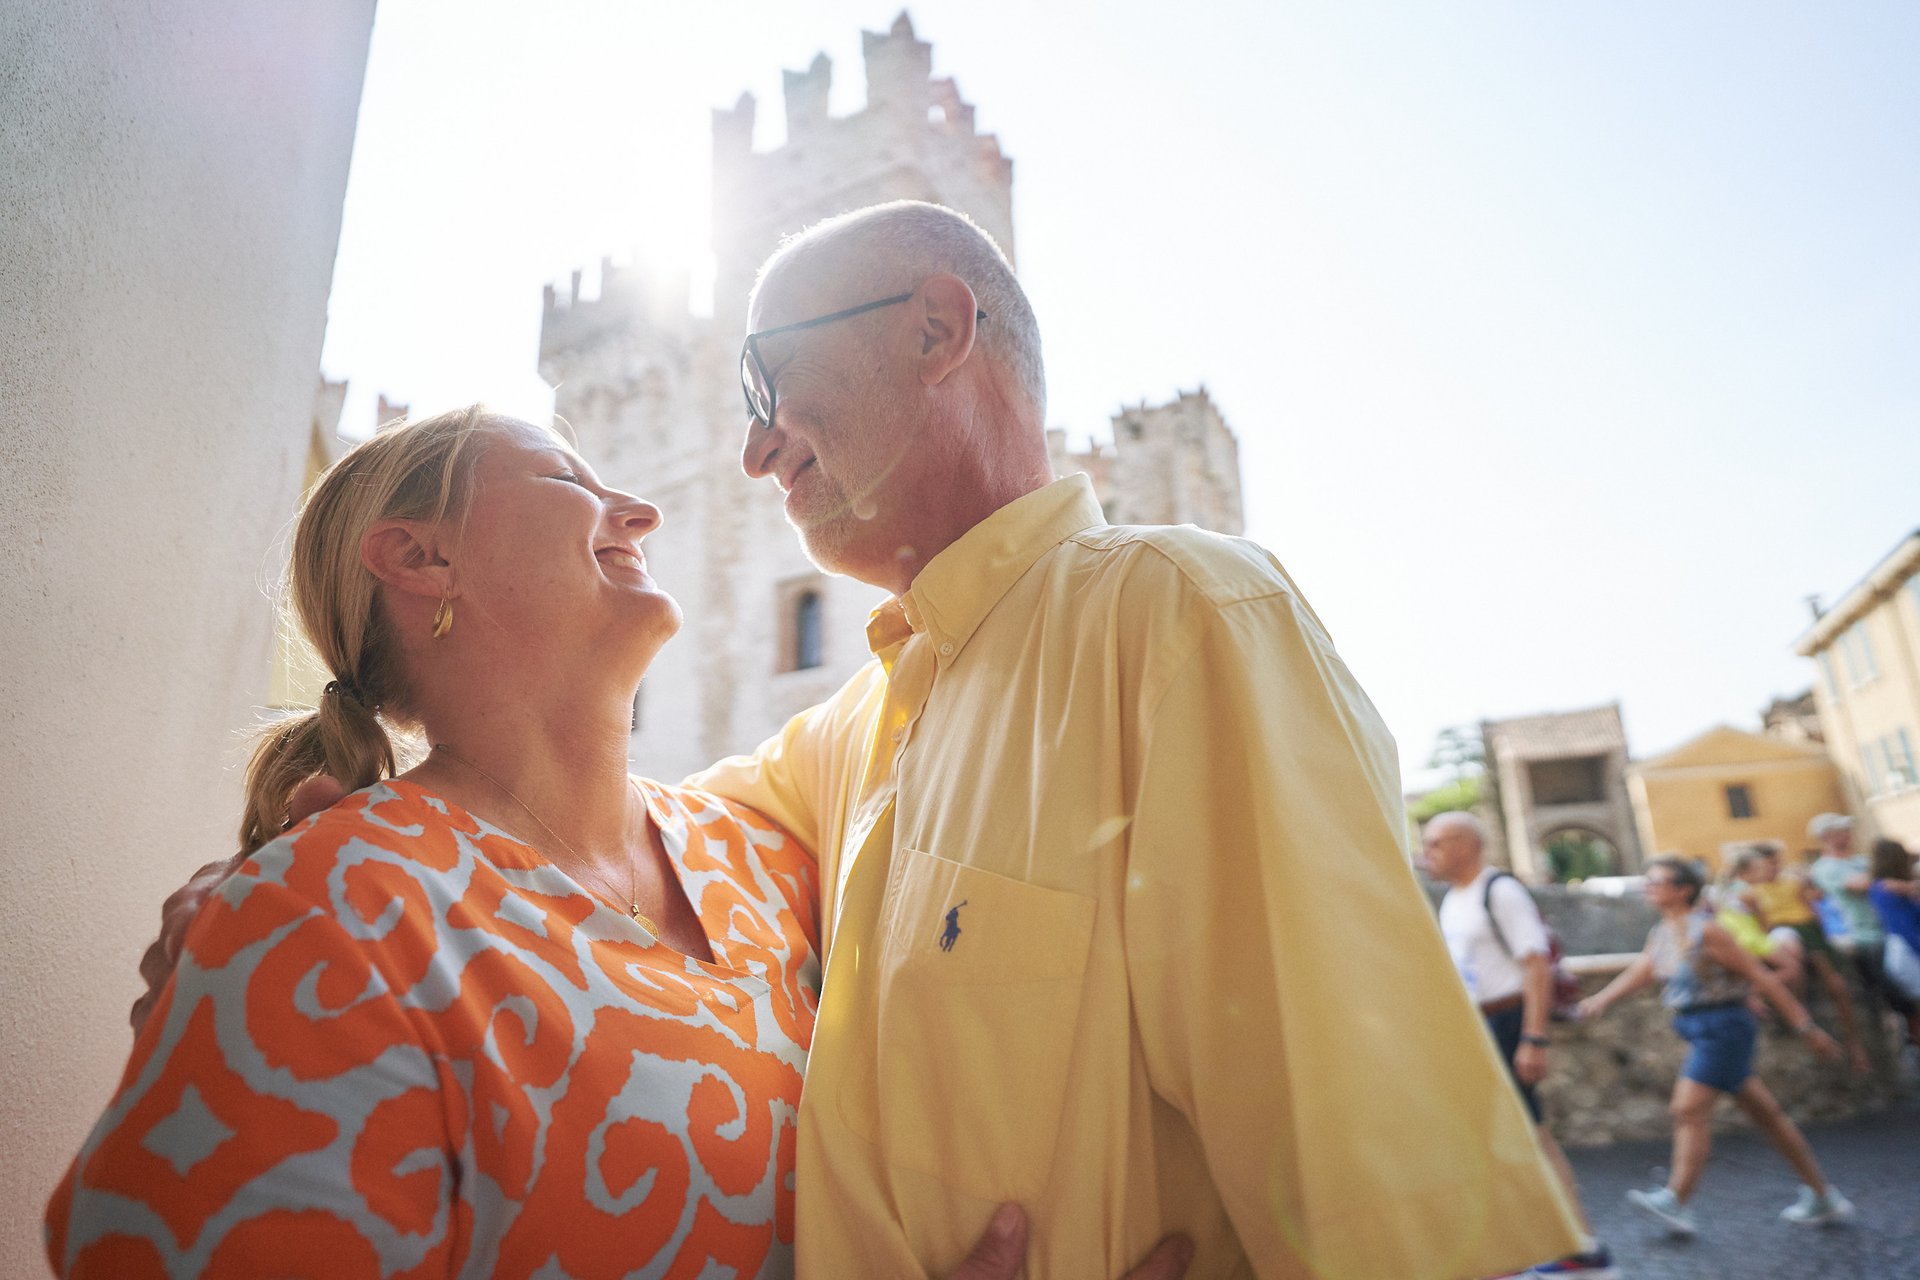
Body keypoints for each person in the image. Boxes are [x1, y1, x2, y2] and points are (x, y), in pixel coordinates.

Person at [135, 201, 1580, 1277]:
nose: (747, 452)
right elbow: (533, 845)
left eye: (769, 384)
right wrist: (291, 904)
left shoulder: (1176, 613)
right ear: (419, 565)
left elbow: (1394, 1209)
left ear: (937, 330)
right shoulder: (846, 737)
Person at [52, 410, 1130, 1280]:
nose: (642, 508)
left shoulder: (760, 853)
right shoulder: (323, 918)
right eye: (570, 477)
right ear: (421, 557)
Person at [1578, 857, 1850, 1238]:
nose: (1649, 887)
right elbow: (1644, 968)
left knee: (1687, 1109)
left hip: (1723, 1028)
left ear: (1683, 889)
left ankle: (1677, 1200)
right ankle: (1823, 1195)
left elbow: (1762, 977)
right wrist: (1601, 1000)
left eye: (1657, 881)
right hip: (1701, 1027)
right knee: (1767, 1114)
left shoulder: (1709, 932)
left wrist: (1806, 1028)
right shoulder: (1664, 931)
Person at [1419, 812, 1616, 1280]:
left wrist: (1533, 1038)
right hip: (1482, 1026)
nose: (1428, 853)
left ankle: (1578, 1245)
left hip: (1508, 1021)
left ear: (1467, 844)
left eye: (1436, 843)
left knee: (1530, 1133)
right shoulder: (1454, 899)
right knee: (1508, 1135)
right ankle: (1557, 1244)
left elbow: (1536, 966)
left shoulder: (1500, 891)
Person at [1731, 844, 1868, 1071]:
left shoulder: (1792, 883)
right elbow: (1760, 925)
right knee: (1791, 956)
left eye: (1777, 862)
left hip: (1808, 931)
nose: (1774, 868)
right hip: (1782, 933)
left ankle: (1854, 1046)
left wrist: (1823, 941)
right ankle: (1798, 1017)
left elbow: (1813, 911)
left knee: (1837, 986)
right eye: (1769, 864)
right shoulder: (1750, 892)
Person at [1807, 812, 1919, 1052]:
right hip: (1868, 938)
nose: (1848, 836)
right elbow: (1860, 884)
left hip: (1894, 933)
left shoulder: (1859, 861)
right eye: (1841, 832)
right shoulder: (1825, 868)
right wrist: (1891, 868)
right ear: (1826, 837)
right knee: (1899, 997)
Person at [1865, 837, 1920, 1047]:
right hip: (1909, 950)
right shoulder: (1893, 887)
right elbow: (1908, 928)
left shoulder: (1878, 887)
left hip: (1899, 950)